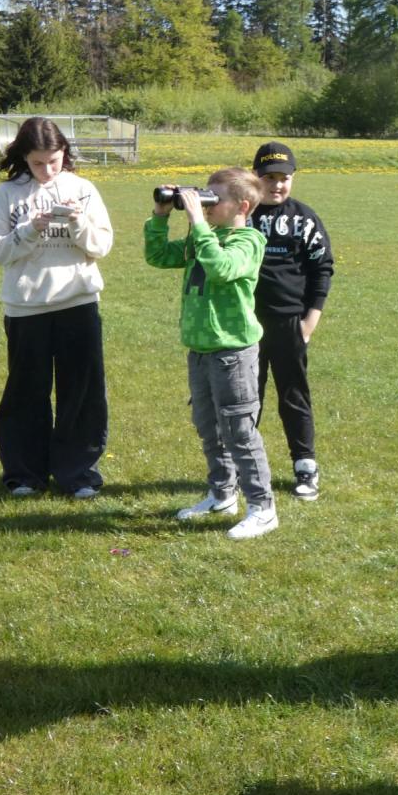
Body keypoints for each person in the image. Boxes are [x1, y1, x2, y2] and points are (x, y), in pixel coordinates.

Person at [0, 116, 113, 499]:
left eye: (53, 161)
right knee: (26, 391)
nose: (47, 170)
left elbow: (101, 246)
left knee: (82, 393)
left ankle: (79, 475)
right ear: (23, 157)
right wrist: (29, 229)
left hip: (78, 303)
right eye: (37, 163)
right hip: (26, 307)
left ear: (64, 153)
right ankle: (25, 475)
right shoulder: (8, 194)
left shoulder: (82, 189)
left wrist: (77, 222)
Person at [144, 168, 278, 540]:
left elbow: (221, 268)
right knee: (209, 428)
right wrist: (160, 215)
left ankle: (263, 508)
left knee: (239, 432)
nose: (206, 204)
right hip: (201, 349)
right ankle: (222, 495)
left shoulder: (248, 240)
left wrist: (198, 224)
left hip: (233, 352)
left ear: (243, 206)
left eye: (214, 198)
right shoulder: (204, 237)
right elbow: (157, 255)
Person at [250, 142, 334, 501]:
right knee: (247, 397)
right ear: (255, 177)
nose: (276, 185)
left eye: (283, 178)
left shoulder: (304, 217)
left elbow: (322, 269)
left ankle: (305, 465)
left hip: (290, 323)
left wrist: (310, 321)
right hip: (246, 323)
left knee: (293, 395)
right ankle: (241, 468)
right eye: (269, 177)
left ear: (293, 178)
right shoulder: (241, 213)